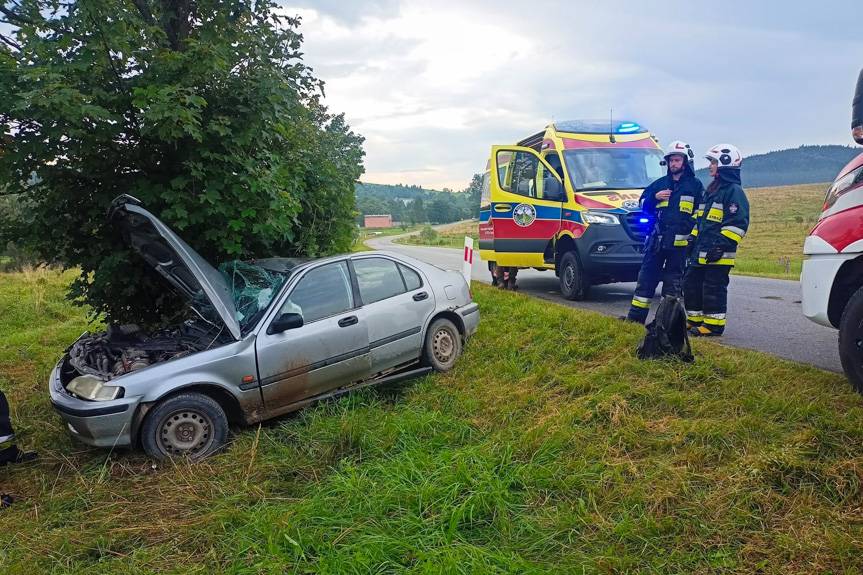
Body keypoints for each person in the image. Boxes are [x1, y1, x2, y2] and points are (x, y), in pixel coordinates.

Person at [624, 140, 703, 324]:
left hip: (679, 246)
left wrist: (692, 236)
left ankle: (665, 324)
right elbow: (642, 205)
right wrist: (654, 197)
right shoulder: (659, 185)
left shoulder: (696, 187)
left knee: (672, 285)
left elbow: (701, 214)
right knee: (646, 280)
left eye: (677, 160)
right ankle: (635, 319)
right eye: (671, 160)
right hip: (656, 243)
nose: (673, 163)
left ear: (685, 162)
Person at [684, 144, 750, 336]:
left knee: (713, 288)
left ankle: (713, 326)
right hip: (701, 251)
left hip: (720, 253)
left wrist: (721, 246)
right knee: (691, 284)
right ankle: (695, 320)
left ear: (724, 163)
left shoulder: (733, 191)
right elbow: (700, 221)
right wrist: (691, 240)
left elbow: (738, 223)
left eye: (713, 162)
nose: (710, 166)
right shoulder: (711, 191)